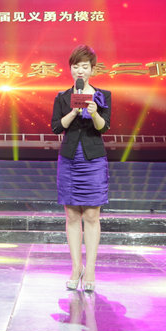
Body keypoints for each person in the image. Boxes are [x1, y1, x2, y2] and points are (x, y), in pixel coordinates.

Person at [51, 45, 111, 292]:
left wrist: (94, 113)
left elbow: (104, 127)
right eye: (75, 66)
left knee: (92, 216)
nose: (80, 71)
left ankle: (91, 269)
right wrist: (73, 112)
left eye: (84, 67)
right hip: (69, 160)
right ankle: (76, 267)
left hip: (93, 160)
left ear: (92, 70)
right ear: (71, 69)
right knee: (72, 215)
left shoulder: (103, 95)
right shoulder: (63, 97)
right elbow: (56, 127)